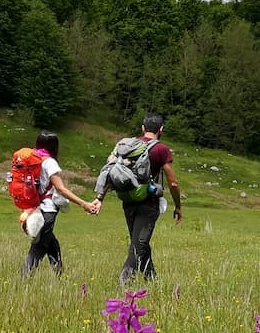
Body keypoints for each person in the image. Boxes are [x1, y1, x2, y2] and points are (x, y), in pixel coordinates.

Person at [94, 113, 181, 284]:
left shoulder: (128, 145)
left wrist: (100, 198)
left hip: (128, 200)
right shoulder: (161, 149)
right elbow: (173, 183)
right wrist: (178, 206)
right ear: (161, 129)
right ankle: (124, 282)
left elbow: (112, 171)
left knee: (140, 243)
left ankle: (152, 281)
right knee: (139, 245)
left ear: (143, 128)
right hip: (148, 203)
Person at [23, 131, 101, 276]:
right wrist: (84, 204)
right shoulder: (49, 162)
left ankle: (59, 277)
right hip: (47, 212)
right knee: (38, 249)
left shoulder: (31, 159)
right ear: (54, 146)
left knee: (52, 245)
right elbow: (60, 189)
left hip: (32, 209)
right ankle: (23, 281)